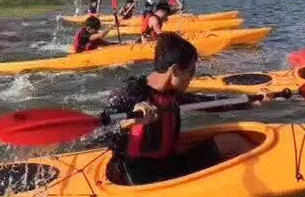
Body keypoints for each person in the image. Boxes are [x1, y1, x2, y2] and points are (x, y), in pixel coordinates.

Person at [102, 33, 258, 185]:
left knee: (231, 141)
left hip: (169, 164)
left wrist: (249, 101)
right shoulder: (129, 93)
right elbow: (98, 135)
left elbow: (208, 102)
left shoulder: (172, 93)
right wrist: (126, 123)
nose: (192, 77)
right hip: (142, 178)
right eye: (191, 71)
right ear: (175, 70)